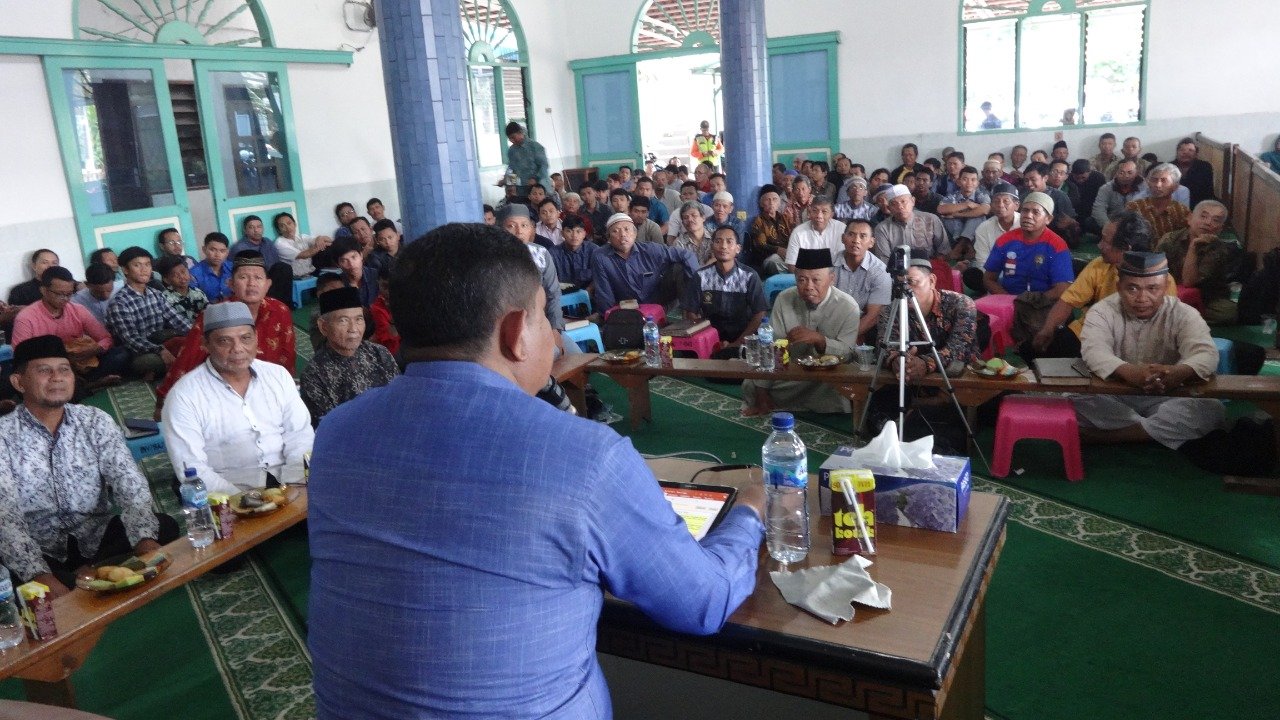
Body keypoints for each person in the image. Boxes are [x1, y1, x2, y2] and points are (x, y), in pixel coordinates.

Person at [307, 223, 765, 718]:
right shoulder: (586, 458)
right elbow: (703, 601)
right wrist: (752, 513)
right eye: (547, 319)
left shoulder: (336, 435)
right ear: (514, 333)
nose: (555, 336)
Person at [0, 336, 178, 596]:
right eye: (44, 371)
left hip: (96, 535)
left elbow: (128, 481)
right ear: (19, 382)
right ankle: (85, 576)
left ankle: (87, 572)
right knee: (12, 576)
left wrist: (144, 540)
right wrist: (40, 575)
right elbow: (6, 518)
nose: (57, 377)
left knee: (164, 526)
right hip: (40, 546)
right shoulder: (4, 435)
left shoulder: (94, 421)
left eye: (64, 369)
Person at [1074, 252, 1225, 451]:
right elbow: (1094, 352)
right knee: (1072, 401)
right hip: (1113, 394)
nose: (1142, 298)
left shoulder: (1183, 313)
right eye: (1132, 288)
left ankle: (1112, 436)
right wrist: (1131, 373)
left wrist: (1177, 373)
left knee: (1212, 409)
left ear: (1165, 287)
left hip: (1169, 395)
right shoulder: (1102, 311)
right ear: (1119, 287)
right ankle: (1156, 430)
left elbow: (1206, 354)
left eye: (1152, 288)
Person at [162, 302, 313, 496]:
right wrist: (243, 501)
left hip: (291, 485)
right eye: (225, 341)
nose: (238, 348)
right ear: (205, 344)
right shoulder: (184, 396)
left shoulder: (278, 376)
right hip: (229, 498)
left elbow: (300, 436)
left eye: (246, 338)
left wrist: (294, 485)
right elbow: (191, 467)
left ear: (256, 338)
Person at [155, 251, 297, 411]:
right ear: (230, 284)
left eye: (258, 278)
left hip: (268, 389)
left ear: (268, 284)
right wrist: (164, 399)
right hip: (224, 392)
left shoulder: (280, 310)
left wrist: (286, 389)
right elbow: (188, 358)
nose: (251, 283)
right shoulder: (214, 315)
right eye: (243, 278)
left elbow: (287, 356)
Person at [1026, 211, 1173, 362]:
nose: (1099, 245)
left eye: (1105, 240)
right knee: (1032, 349)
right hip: (1088, 333)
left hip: (1132, 345)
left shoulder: (1162, 282)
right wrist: (1048, 329)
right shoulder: (1100, 265)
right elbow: (1068, 301)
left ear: (1125, 248)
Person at [742, 248, 860, 416]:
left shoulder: (848, 306)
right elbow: (771, 348)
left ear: (831, 279)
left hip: (826, 376)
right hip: (791, 371)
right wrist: (762, 392)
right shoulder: (784, 299)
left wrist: (821, 341)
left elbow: (848, 353)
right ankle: (767, 400)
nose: (808, 287)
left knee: (837, 386)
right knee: (751, 384)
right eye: (802, 280)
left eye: (816, 280)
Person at [12, 266, 129, 393]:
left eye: (69, 294)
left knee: (121, 353)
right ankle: (89, 385)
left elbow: (105, 338)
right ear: (43, 290)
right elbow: (20, 356)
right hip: (50, 368)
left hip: (83, 363)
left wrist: (94, 349)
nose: (66, 299)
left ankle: (83, 384)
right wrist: (63, 360)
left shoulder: (77, 309)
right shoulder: (26, 317)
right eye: (60, 294)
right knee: (31, 379)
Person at [299, 287, 398, 426]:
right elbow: (329, 426)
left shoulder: (380, 353)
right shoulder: (314, 375)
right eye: (343, 320)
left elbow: (398, 399)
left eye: (359, 319)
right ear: (323, 327)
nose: (353, 329)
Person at [106, 247, 192, 378]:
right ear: (125, 270)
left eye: (147, 264)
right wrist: (160, 350)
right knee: (151, 362)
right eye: (137, 265)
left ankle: (164, 371)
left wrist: (197, 335)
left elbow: (176, 319)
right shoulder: (119, 303)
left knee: (191, 345)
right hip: (138, 352)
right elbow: (131, 339)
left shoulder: (156, 294)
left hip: (162, 342)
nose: (144, 269)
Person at [591, 213, 700, 312]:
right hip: (627, 307)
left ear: (635, 234)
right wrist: (609, 316)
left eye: (626, 229)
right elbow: (604, 293)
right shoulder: (600, 256)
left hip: (658, 300)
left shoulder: (650, 249)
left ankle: (691, 313)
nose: (623, 234)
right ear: (609, 238)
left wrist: (697, 284)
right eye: (615, 231)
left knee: (679, 268)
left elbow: (687, 254)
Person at [686, 227, 767, 353]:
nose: (723, 246)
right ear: (712, 247)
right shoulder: (700, 276)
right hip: (709, 339)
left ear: (738, 249)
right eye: (718, 241)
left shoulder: (750, 276)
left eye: (729, 242)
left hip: (743, 339)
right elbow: (691, 312)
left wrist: (737, 343)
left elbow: (759, 314)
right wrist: (709, 340)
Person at [1158, 200, 1237, 324]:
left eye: (1215, 220)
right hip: (1169, 290)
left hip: (1205, 296)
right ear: (1189, 218)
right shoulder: (1170, 239)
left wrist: (1193, 247)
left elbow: (1189, 282)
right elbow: (1153, 269)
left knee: (1229, 312)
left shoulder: (1218, 248)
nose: (1207, 222)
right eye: (1203, 216)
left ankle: (1182, 316)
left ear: (1220, 229)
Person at [981, 192, 1074, 297]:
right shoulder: (1005, 240)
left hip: (1042, 304)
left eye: (1036, 212)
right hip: (1008, 300)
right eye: (1025, 210)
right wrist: (1009, 300)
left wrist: (1031, 303)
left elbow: (1062, 288)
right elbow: (988, 279)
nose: (1028, 216)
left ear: (1048, 219)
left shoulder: (1057, 245)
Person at [833, 218, 891, 342]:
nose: (856, 240)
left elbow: (873, 316)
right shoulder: (829, 265)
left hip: (864, 328)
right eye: (851, 234)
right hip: (831, 322)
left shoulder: (880, 271)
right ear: (843, 238)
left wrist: (843, 339)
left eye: (863, 236)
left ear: (871, 242)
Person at [871, 184, 950, 261]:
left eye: (903, 201)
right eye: (894, 204)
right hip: (897, 271)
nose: (900, 207)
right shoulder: (882, 229)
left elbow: (943, 251)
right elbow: (884, 260)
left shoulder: (931, 219)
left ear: (913, 201)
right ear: (889, 208)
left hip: (929, 268)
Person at [230, 214, 294, 307]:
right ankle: (270, 306)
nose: (256, 230)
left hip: (269, 278)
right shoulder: (240, 248)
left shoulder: (267, 242)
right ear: (245, 230)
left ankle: (285, 307)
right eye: (251, 227)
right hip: (253, 280)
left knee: (283, 268)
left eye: (259, 227)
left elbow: (276, 262)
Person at [937, 165, 991, 253]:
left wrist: (957, 214)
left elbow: (985, 210)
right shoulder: (952, 196)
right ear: (958, 182)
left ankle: (960, 245)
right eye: (965, 179)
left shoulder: (981, 195)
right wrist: (967, 204)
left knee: (979, 216)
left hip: (975, 237)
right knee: (946, 217)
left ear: (977, 183)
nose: (969, 183)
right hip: (955, 235)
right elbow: (941, 209)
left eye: (973, 179)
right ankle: (966, 245)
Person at [783, 196, 845, 272]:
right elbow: (792, 266)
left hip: (834, 279)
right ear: (809, 212)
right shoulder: (798, 232)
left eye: (824, 211)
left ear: (831, 215)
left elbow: (846, 262)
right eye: (815, 210)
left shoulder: (842, 230)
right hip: (807, 278)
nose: (819, 216)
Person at [1126, 163, 1190, 237]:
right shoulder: (1134, 207)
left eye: (1164, 181)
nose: (1157, 185)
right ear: (1148, 184)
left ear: (1175, 186)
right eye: (1154, 180)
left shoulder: (1182, 212)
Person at [746, 184, 793, 276]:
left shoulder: (785, 218)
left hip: (788, 254)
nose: (771, 202)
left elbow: (793, 237)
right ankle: (790, 278)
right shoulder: (759, 221)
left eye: (774, 199)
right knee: (774, 261)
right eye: (768, 199)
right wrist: (777, 250)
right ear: (761, 203)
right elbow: (760, 244)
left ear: (779, 202)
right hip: (770, 257)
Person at [1090, 158, 1144, 232]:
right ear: (1116, 173)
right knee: (1090, 221)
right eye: (1121, 172)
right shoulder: (1106, 188)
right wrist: (1109, 227)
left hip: (1136, 224)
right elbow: (1098, 210)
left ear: (1136, 173)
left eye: (1130, 172)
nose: (1126, 176)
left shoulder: (1145, 187)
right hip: (1113, 222)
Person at [274, 211, 331, 279]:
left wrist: (320, 238)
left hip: (311, 274)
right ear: (279, 230)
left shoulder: (301, 237)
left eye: (289, 223)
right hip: (295, 278)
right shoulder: (279, 243)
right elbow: (305, 255)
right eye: (282, 226)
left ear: (295, 224)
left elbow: (328, 239)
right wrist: (322, 243)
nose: (288, 228)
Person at [156, 255, 209, 325]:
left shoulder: (198, 293)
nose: (181, 277)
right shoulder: (164, 298)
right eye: (176, 275)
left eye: (183, 272)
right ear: (166, 280)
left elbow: (208, 313)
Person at [549, 214, 597, 290]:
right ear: (562, 233)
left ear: (584, 234)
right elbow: (550, 279)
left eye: (578, 231)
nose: (574, 235)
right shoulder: (553, 253)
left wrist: (588, 292)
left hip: (590, 295)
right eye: (569, 231)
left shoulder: (594, 250)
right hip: (563, 295)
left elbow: (600, 276)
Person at [505, 121, 550, 197]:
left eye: (513, 137)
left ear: (520, 133)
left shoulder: (535, 147)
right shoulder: (511, 151)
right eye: (510, 139)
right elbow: (512, 169)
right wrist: (508, 182)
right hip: (522, 191)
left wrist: (535, 179)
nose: (512, 141)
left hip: (540, 189)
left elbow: (543, 166)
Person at [1172, 137, 1216, 207]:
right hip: (1175, 206)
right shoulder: (1169, 167)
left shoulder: (1205, 167)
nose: (1185, 153)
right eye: (1182, 150)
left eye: (1190, 150)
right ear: (1177, 152)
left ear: (1196, 153)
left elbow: (1208, 192)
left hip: (1199, 205)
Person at [190, 232, 234, 302]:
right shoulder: (194, 273)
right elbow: (194, 301)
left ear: (227, 252)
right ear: (204, 249)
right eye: (212, 250)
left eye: (222, 251)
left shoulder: (233, 268)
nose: (217, 255)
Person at [71, 262, 119, 327]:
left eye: (109, 290)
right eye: (99, 292)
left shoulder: (120, 293)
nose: (105, 295)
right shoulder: (76, 302)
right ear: (87, 285)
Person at [1068, 159, 1107, 234]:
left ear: (1090, 172)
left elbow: (1102, 199)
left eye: (1083, 177)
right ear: (1072, 174)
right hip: (1075, 210)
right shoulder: (1068, 179)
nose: (1080, 180)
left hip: (1094, 208)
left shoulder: (1099, 178)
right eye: (1077, 178)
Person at [670, 201, 713, 266]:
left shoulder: (715, 237)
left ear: (703, 218)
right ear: (683, 223)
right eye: (685, 217)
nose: (690, 219)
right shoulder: (678, 243)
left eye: (694, 215)